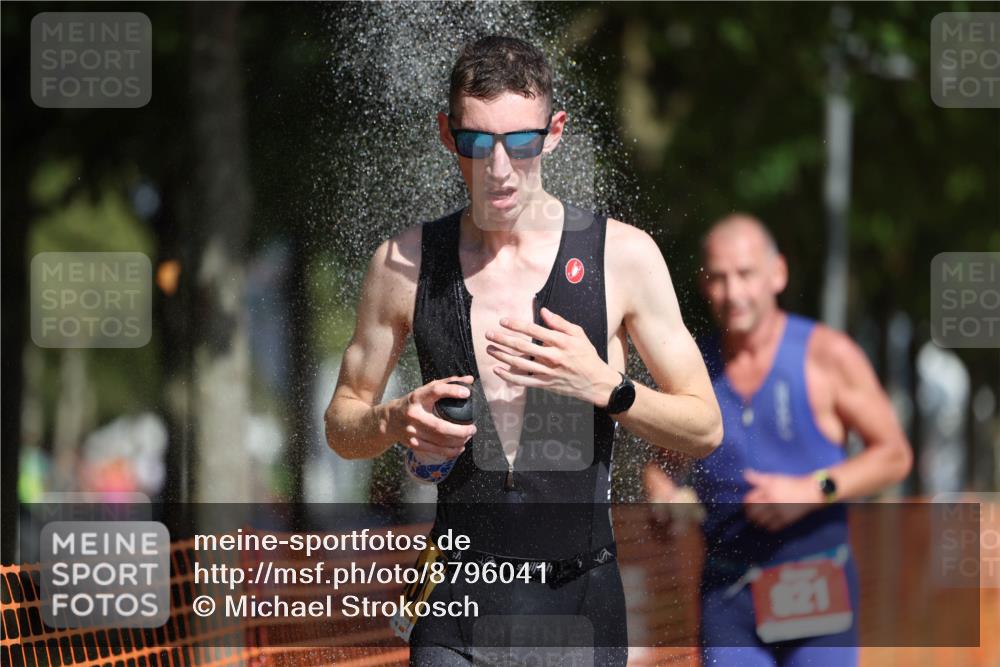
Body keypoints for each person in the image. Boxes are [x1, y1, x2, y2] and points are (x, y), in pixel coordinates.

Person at [325, 35, 723, 666]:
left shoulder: (621, 257)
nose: (501, 168)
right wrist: (392, 420)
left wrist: (607, 387)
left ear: (555, 132)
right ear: (447, 135)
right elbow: (343, 423)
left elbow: (704, 426)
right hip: (455, 605)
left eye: (523, 143)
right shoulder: (402, 265)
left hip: (578, 605)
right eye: (478, 143)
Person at [644, 213, 913, 667]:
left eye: (746, 275)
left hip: (813, 583)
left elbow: (894, 455)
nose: (734, 294)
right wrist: (664, 499)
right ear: (703, 284)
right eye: (720, 279)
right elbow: (662, 463)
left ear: (777, 274)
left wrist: (813, 489)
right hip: (727, 594)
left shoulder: (828, 354)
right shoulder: (694, 367)